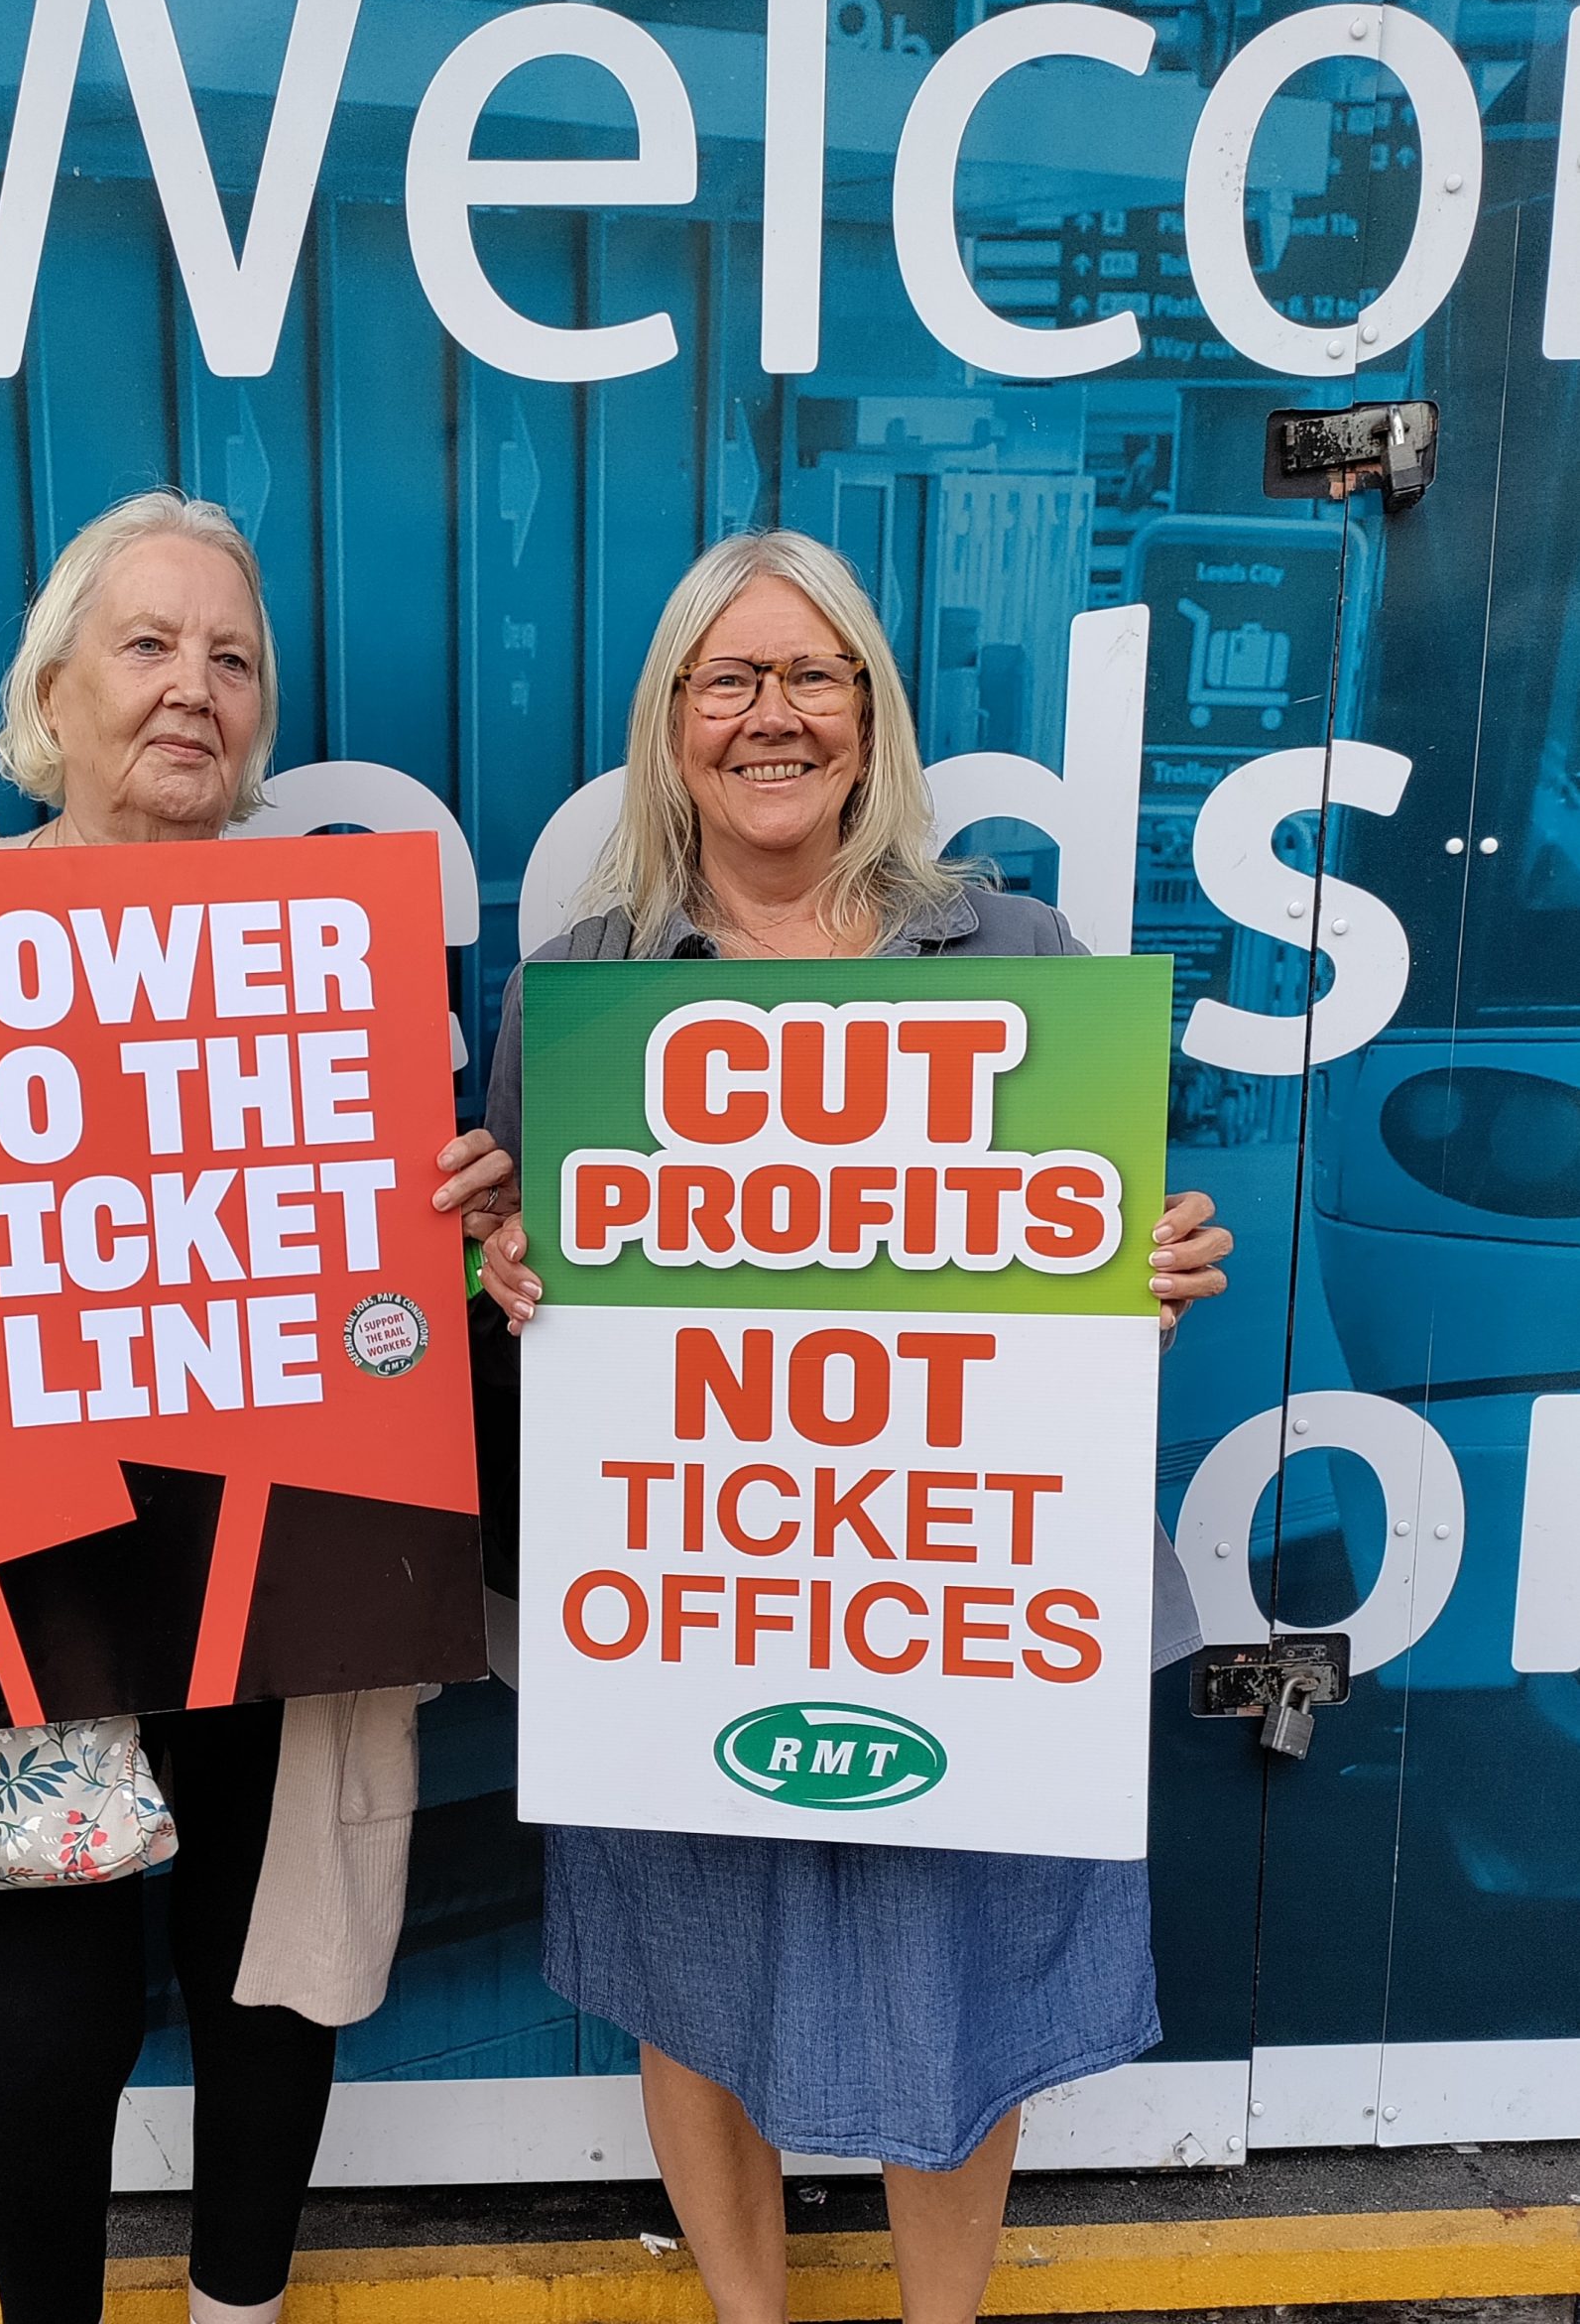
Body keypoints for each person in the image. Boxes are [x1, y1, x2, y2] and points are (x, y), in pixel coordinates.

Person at [0, 490, 514, 2324]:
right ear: (53, 695)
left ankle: (238, 2306)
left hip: (291, 1554)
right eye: (148, 646)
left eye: (231, 657)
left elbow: (397, 1277)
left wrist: (465, 1215)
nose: (195, 689)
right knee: (40, 2028)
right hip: (28, 1560)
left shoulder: (335, 952)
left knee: (274, 1982)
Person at [477, 529, 1232, 2324]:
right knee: (693, 1957)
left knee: (948, 1970)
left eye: (815, 677)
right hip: (696, 1589)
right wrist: (513, 1276)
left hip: (938, 1588)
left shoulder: (1019, 953)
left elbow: (1089, 1279)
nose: (773, 718)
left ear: (872, 717)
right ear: (672, 724)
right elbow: (520, 1280)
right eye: (730, 681)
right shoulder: (579, 991)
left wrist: (1153, 1259)